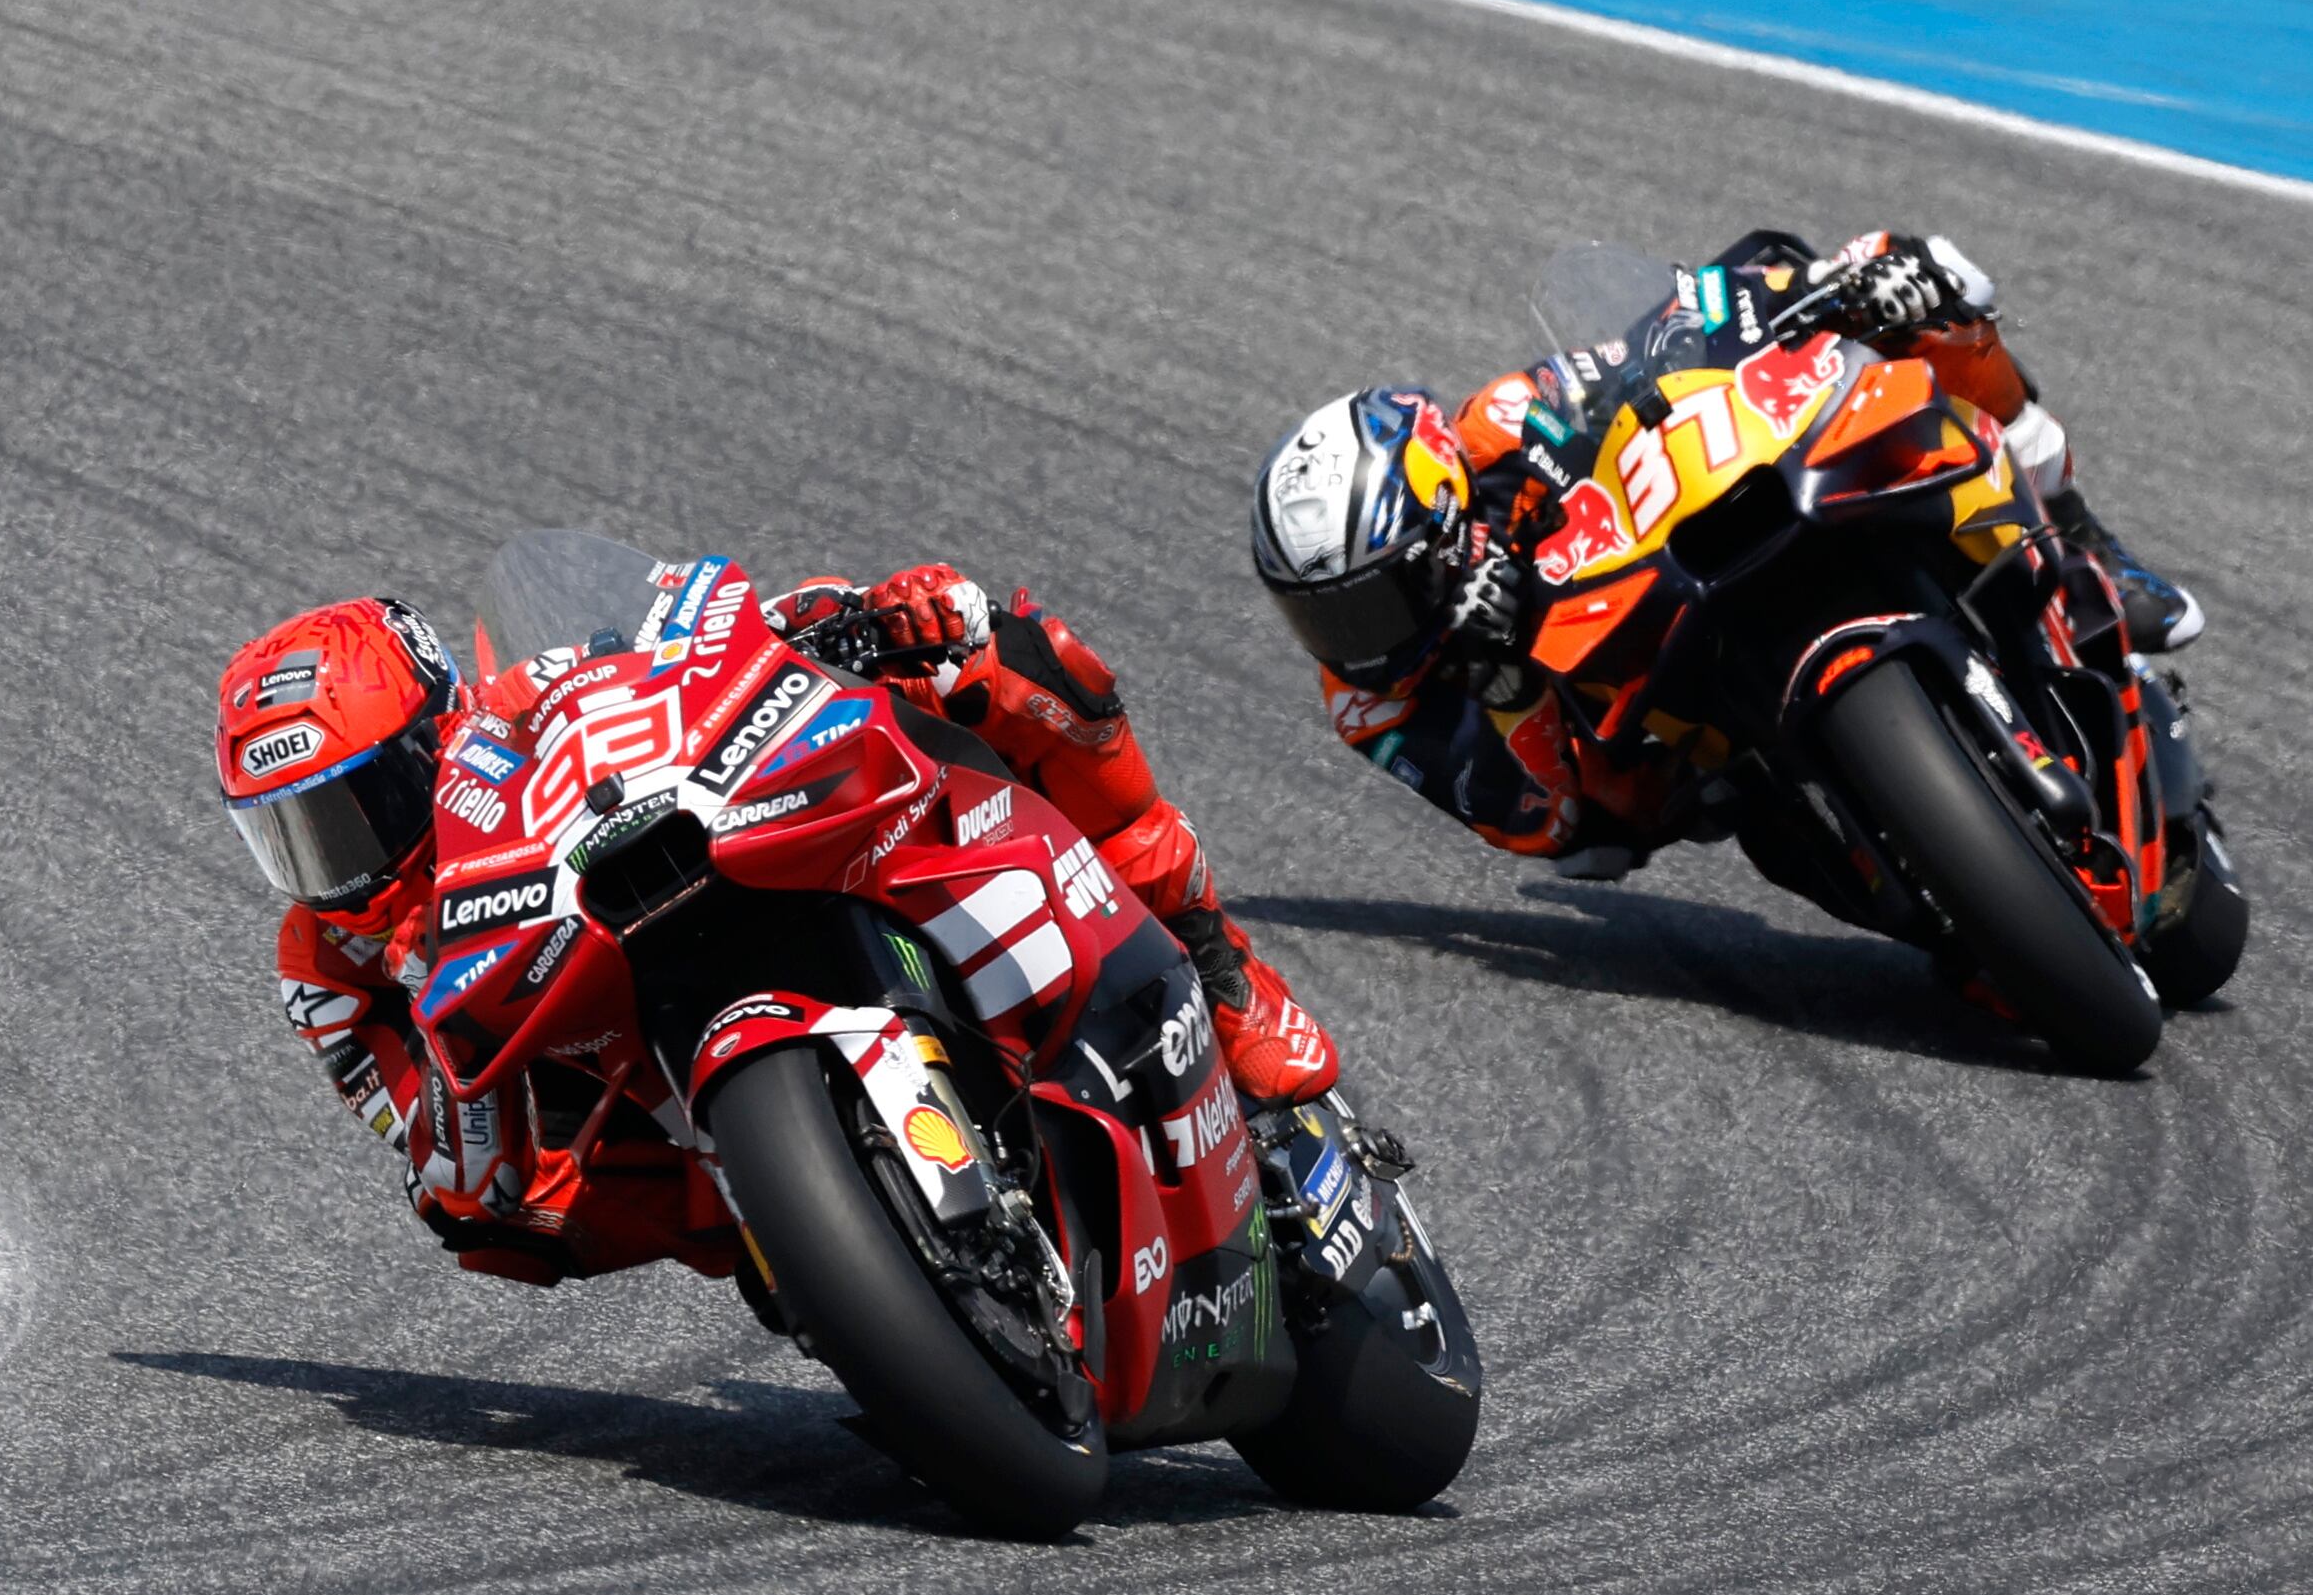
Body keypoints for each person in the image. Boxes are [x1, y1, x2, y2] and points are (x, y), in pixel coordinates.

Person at [216, 570, 1338, 1285]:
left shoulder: (526, 705)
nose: (334, 862)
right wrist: (461, 1157)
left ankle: (1207, 958)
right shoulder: (324, 965)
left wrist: (829, 619)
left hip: (701, 871)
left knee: (983, 643)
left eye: (348, 811)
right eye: (294, 837)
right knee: (504, 1228)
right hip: (630, 1119)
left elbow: (673, 660)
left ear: (432, 737)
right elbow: (421, 1136)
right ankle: (829, 1243)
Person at [1252, 228, 2202, 875]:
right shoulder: (1373, 703)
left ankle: (2081, 536)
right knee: (1668, 827)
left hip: (1668, 569)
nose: (1354, 638)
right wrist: (1503, 684)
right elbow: (1549, 822)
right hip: (1642, 744)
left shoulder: (1499, 428)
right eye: (1322, 615)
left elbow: (1644, 360)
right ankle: (1924, 879)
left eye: (1370, 601)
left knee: (1916, 285)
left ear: (1444, 509)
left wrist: (1818, 291)